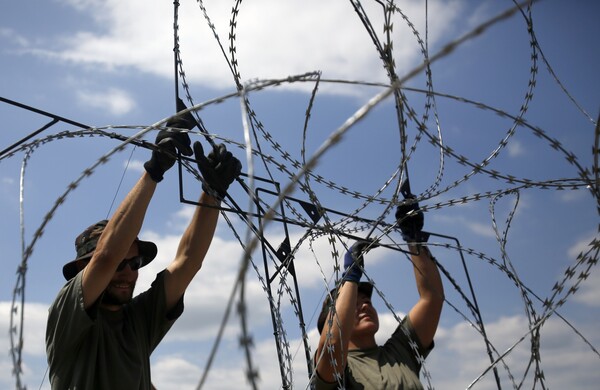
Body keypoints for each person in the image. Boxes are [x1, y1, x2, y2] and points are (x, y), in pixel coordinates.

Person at [45, 99, 242, 390]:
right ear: (82, 270)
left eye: (135, 263)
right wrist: (155, 169)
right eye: (120, 265)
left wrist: (212, 193)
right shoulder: (68, 316)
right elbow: (106, 256)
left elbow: (188, 261)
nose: (128, 273)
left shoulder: (137, 321)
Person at [313, 195, 444, 389]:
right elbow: (332, 346)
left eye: (367, 301)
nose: (365, 305)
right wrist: (350, 277)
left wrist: (414, 239)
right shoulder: (341, 369)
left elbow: (432, 298)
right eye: (354, 305)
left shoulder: (401, 352)